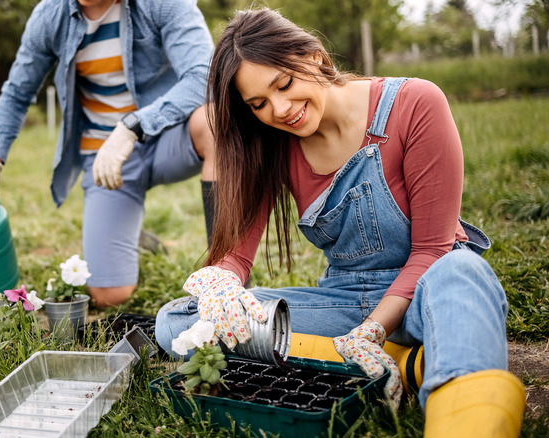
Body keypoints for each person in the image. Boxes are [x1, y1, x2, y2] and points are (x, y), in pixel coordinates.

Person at [155, 8, 525, 437]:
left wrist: (372, 331)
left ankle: (459, 414)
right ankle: (410, 364)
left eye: (284, 84)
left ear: (312, 56)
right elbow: (236, 256)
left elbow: (432, 250)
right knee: (180, 321)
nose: (280, 109)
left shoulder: (415, 103)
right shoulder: (273, 145)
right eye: (258, 104)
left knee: (465, 273)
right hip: (347, 301)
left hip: (428, 288)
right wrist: (221, 283)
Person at [0, 0, 216, 308]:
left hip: (168, 138)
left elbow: (204, 76)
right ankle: (128, 235)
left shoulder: (163, 4)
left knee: (216, 123)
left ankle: (225, 272)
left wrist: (133, 126)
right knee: (110, 295)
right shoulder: (50, 16)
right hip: (105, 158)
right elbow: (17, 93)